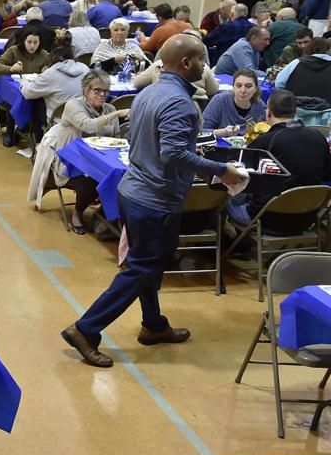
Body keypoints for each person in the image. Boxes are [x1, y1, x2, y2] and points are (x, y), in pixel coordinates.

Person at [62, 35, 249, 368]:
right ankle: (85, 329)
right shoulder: (179, 102)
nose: (206, 67)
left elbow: (140, 139)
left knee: (150, 262)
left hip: (134, 191)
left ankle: (153, 325)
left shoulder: (149, 92)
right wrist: (222, 170)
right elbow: (174, 153)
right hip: (156, 200)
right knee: (142, 267)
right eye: (202, 60)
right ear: (187, 63)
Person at [28, 71, 128, 233]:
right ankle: (77, 213)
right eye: (97, 90)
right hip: (69, 157)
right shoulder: (74, 105)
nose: (102, 95)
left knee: (121, 174)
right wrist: (116, 114)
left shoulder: (109, 107)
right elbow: (87, 125)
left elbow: (116, 137)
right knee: (90, 176)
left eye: (105, 91)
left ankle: (112, 214)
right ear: (86, 90)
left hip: (100, 156)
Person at [226, 89, 331, 229]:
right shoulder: (318, 138)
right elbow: (326, 175)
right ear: (295, 112)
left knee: (224, 197)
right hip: (308, 216)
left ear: (268, 112)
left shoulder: (263, 142)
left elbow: (240, 178)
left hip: (268, 219)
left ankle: (229, 244)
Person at [21, 40, 88, 121]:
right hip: (86, 118)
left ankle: (36, 133)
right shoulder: (84, 68)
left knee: (36, 106)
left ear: (52, 55)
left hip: (61, 123)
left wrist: (23, 82)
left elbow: (27, 93)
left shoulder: (51, 73)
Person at [274, 37, 331, 101]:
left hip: (296, 107)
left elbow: (279, 83)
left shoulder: (296, 63)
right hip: (326, 108)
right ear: (328, 49)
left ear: (308, 49)